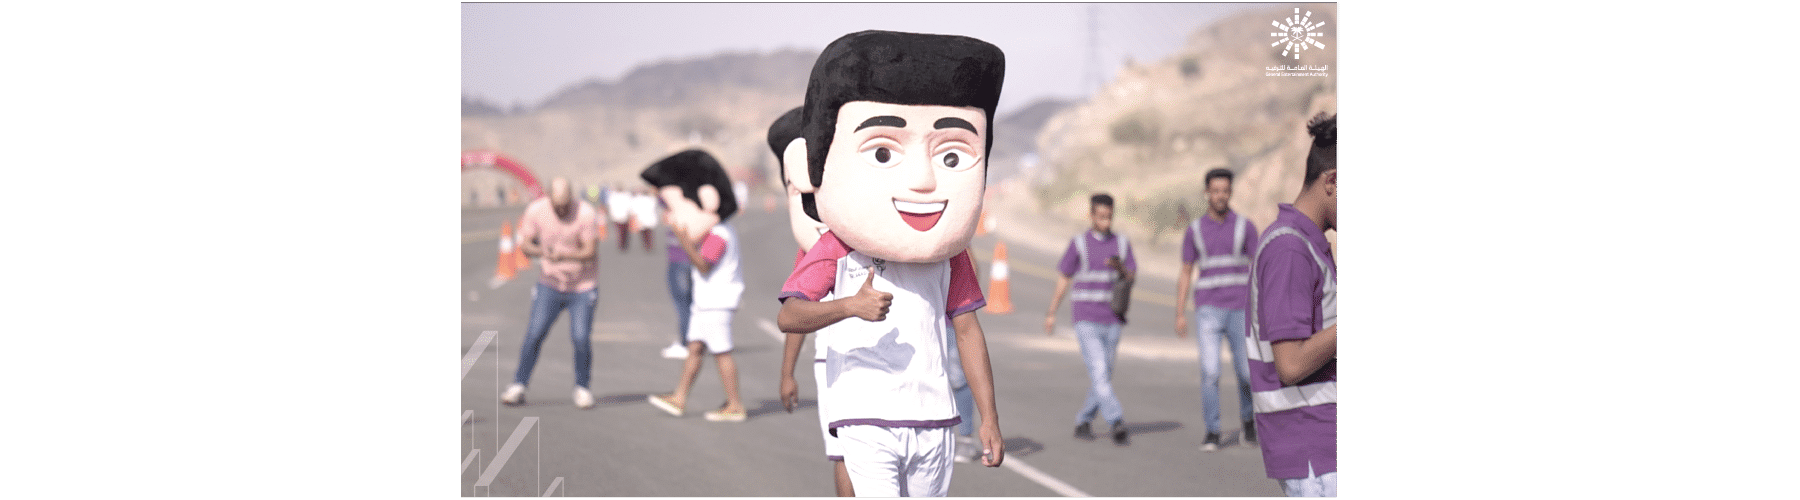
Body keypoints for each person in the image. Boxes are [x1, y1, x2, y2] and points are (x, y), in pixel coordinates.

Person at [777, 30, 1007, 497]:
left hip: (934, 415)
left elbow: (967, 330)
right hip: (864, 413)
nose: (921, 180)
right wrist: (849, 307)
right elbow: (790, 315)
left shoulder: (949, 254)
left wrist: (989, 418)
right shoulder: (838, 246)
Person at [1246, 112, 1338, 497]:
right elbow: (1291, 364)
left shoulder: (1309, 244)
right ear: (1332, 182)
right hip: (1316, 449)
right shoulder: (1290, 249)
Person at [768, 107, 857, 497]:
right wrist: (787, 372)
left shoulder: (880, 235)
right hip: (835, 360)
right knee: (844, 455)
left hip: (892, 359)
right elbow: (796, 309)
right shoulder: (813, 247)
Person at [642, 150, 749, 422]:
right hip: (705, 300)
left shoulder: (719, 234)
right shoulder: (715, 231)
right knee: (695, 349)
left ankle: (735, 404)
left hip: (717, 301)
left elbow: (703, 265)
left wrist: (684, 241)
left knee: (722, 352)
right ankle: (679, 397)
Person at [1175, 168, 1260, 452]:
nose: (1220, 196)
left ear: (1230, 192)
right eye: (1215, 191)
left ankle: (1248, 421)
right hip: (1208, 309)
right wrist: (1179, 313)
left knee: (1246, 373)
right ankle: (1212, 431)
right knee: (1210, 372)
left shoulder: (1245, 227)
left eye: (1225, 190)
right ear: (1207, 193)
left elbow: (1259, 269)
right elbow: (1186, 271)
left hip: (1240, 309)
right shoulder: (1195, 230)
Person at [1045, 193, 1137, 446]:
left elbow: (1131, 276)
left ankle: (1083, 421)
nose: (1105, 222)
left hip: (1113, 319)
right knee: (1099, 371)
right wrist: (1052, 312)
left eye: (1109, 217)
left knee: (1103, 376)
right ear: (1091, 216)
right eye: (1101, 216)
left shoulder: (1122, 244)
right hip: (1086, 318)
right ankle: (1116, 420)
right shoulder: (1079, 244)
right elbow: (1064, 278)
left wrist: (1120, 268)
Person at [501, 178, 600, 409]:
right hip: (550, 284)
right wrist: (541, 252)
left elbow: (590, 252)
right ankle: (519, 384)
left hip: (583, 286)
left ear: (572, 197)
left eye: (566, 205)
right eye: (557, 206)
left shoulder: (585, 213)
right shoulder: (536, 211)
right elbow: (525, 245)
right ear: (548, 198)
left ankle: (582, 388)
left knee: (581, 337)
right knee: (535, 333)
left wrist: (563, 256)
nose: (562, 211)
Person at [606, 183, 632, 252]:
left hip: (624, 216)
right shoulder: (613, 196)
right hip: (617, 217)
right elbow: (610, 206)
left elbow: (629, 205)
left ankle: (623, 244)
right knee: (620, 232)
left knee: (624, 232)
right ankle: (621, 245)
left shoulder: (626, 195)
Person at [632, 188, 660, 253]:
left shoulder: (637, 200)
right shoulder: (651, 199)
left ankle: (647, 246)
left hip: (642, 220)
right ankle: (649, 245)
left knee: (643, 234)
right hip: (648, 219)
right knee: (649, 234)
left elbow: (634, 210)